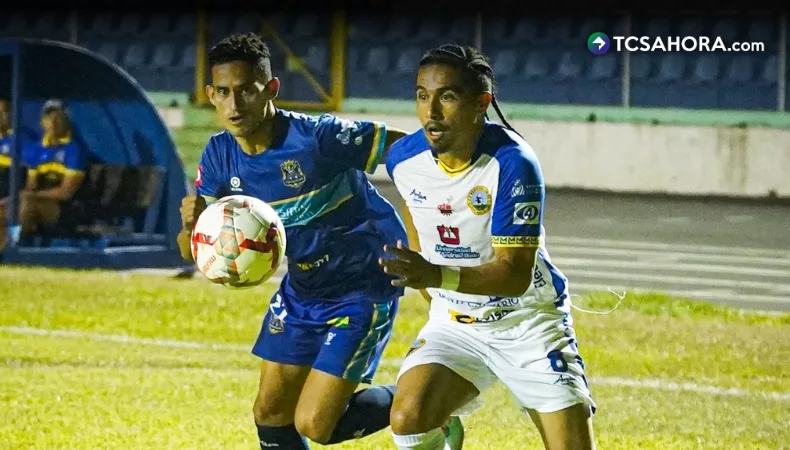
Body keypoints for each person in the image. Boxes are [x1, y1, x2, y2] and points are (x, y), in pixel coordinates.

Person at [176, 33, 462, 449]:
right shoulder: (219, 156)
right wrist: (192, 228)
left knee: (314, 425)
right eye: (223, 93)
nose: (235, 105)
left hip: (364, 283)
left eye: (246, 91)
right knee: (271, 414)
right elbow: (192, 254)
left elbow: (409, 148)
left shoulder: (317, 138)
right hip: (304, 288)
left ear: (271, 89)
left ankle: (429, 412)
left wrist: (434, 216)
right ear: (210, 95)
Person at [380, 44, 597, 450]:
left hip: (526, 322)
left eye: (447, 96)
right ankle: (447, 430)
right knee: (408, 420)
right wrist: (433, 288)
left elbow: (513, 275)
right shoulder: (404, 160)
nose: (431, 112)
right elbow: (416, 217)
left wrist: (433, 275)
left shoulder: (513, 163)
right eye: (422, 96)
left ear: (481, 103)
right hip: (455, 322)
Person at [0, 98, 86, 248]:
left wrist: (31, 195)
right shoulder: (38, 149)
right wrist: (11, 201)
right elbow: (30, 187)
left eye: (58, 118)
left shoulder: (74, 149)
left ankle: (8, 248)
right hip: (37, 201)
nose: (53, 123)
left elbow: (65, 193)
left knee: (27, 204)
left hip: (65, 209)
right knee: (5, 207)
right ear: (42, 122)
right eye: (49, 118)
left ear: (67, 120)